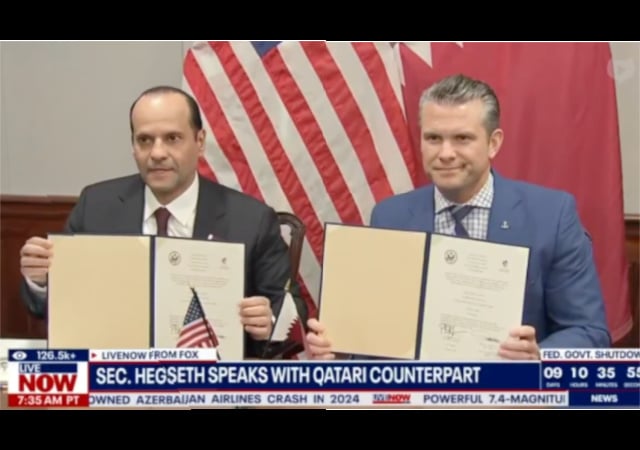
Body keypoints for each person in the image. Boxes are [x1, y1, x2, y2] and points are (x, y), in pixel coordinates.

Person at [306, 73, 611, 361]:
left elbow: (589, 332)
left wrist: (539, 356)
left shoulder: (551, 215)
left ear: (493, 143)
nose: (446, 153)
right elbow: (376, 337)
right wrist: (340, 349)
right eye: (433, 138)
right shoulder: (390, 216)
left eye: (462, 138)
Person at [19, 85, 307, 358]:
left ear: (200, 142)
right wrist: (41, 281)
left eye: (172, 138)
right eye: (145, 140)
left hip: (208, 381)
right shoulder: (96, 206)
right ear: (133, 146)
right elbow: (50, 307)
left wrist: (269, 321)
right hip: (116, 375)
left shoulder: (251, 219)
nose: (157, 153)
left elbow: (293, 313)